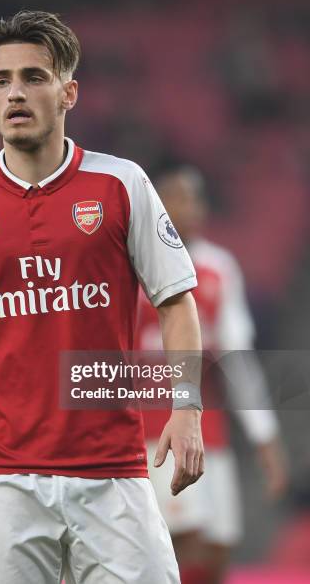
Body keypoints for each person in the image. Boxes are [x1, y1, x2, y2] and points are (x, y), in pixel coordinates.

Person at [0, 10, 204, 584]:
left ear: (68, 92)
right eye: (2, 80)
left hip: (112, 470)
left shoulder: (121, 184)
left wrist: (186, 408)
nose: (16, 92)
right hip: (2, 477)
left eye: (34, 77)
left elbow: (175, 302)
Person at [136, 166, 287, 584]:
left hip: (208, 425)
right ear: (156, 205)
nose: (189, 207)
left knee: (219, 546)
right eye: (177, 197)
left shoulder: (220, 268)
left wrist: (264, 436)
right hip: (151, 427)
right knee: (180, 540)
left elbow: (237, 357)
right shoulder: (130, 264)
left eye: (194, 197)